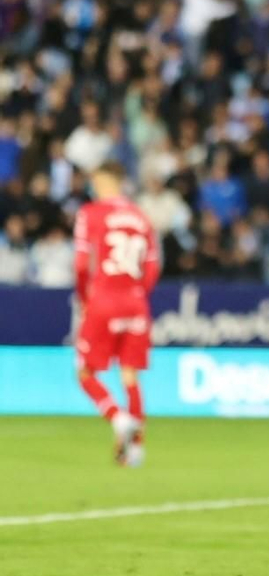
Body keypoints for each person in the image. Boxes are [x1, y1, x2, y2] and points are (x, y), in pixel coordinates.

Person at [73, 161, 159, 466]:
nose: (94, 188)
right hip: (136, 302)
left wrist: (85, 298)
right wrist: (137, 294)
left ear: (107, 181)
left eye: (96, 182)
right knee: (130, 375)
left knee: (85, 372)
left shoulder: (91, 213)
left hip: (104, 299)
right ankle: (135, 451)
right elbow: (152, 267)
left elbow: (82, 264)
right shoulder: (140, 217)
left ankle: (117, 418)